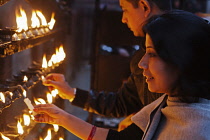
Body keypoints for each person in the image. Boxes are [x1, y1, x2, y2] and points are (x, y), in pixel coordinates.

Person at [34, 10, 210, 139]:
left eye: (152, 54)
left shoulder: (196, 131)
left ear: (180, 59)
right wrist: (63, 118)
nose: (142, 64)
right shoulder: (168, 104)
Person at [41, 0, 172, 120]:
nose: (123, 19)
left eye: (125, 9)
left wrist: (141, 125)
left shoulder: (179, 51)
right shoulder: (145, 52)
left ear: (144, 6)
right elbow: (122, 103)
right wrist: (71, 93)